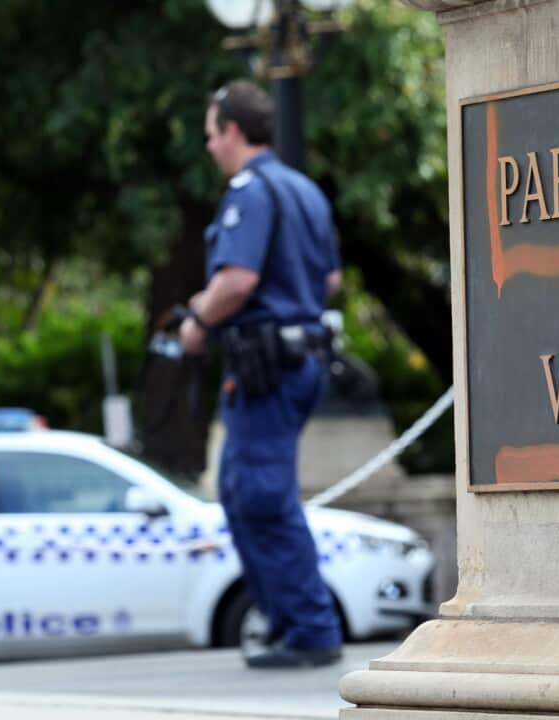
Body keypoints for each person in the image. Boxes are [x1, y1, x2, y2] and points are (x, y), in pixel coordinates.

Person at [179, 80, 344, 668]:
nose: (209, 147)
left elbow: (238, 280)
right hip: (296, 361)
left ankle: (308, 627)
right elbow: (329, 282)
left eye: (210, 134)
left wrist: (197, 318)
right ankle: (286, 621)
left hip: (266, 367)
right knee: (242, 492)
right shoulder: (304, 190)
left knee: (261, 496)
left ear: (231, 131)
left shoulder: (249, 190)